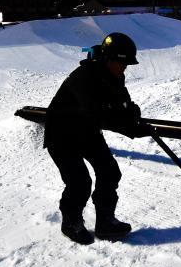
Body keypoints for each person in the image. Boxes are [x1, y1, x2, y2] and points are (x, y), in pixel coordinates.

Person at [44, 32, 149, 245]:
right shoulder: (84, 77)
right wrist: (129, 128)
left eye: (127, 64)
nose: (125, 68)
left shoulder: (115, 75)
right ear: (108, 58)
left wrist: (132, 114)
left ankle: (105, 222)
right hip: (61, 134)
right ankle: (71, 222)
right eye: (122, 63)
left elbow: (122, 103)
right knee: (80, 181)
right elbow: (99, 115)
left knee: (109, 171)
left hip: (86, 131)